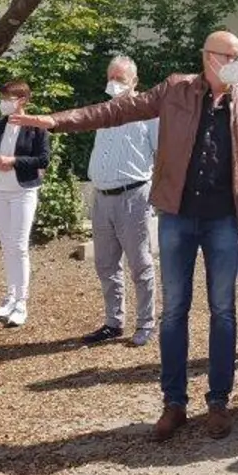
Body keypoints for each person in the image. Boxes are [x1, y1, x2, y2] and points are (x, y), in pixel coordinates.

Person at [13, 31, 238, 442]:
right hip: (177, 217)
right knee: (174, 312)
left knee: (223, 311)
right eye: (230, 55)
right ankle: (174, 403)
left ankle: (219, 402)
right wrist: (55, 121)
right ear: (209, 57)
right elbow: (117, 111)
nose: (237, 61)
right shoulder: (175, 90)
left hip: (224, 220)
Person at [79, 56, 161, 348]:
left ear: (135, 82)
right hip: (101, 196)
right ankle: (114, 322)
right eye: (111, 77)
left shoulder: (149, 114)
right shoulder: (105, 111)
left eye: (121, 79)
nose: (114, 83)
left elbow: (162, 154)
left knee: (139, 263)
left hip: (133, 196)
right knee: (105, 264)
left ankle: (146, 323)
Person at [0, 79, 50, 329]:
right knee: (7, 245)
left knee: (19, 246)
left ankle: (22, 303)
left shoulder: (37, 127)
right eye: (2, 98)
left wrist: (13, 160)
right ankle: (10, 297)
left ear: (22, 100)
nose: (3, 103)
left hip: (22, 191)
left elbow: (43, 160)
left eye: (7, 98)